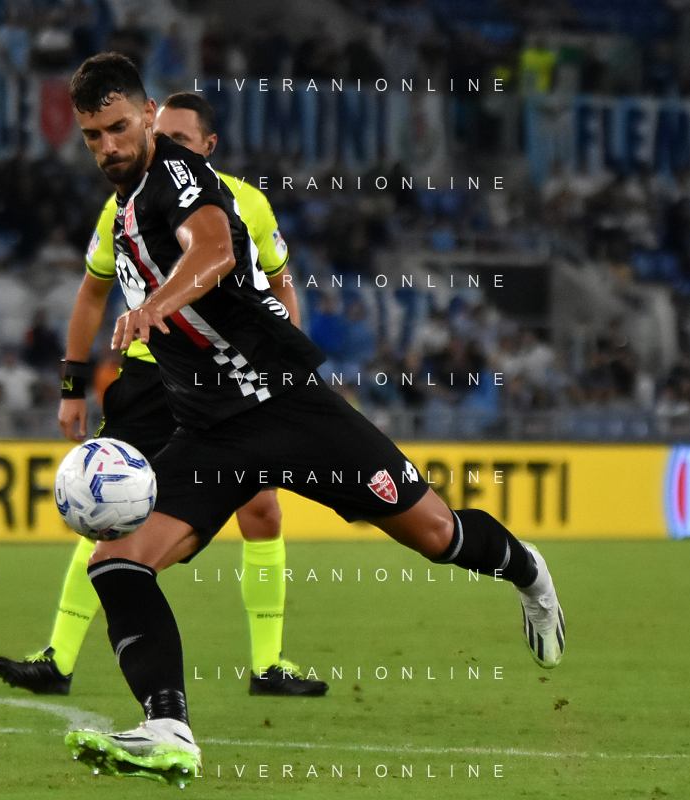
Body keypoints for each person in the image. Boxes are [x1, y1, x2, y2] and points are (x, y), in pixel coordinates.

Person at [59, 54, 565, 787]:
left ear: (145, 115)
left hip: (290, 409)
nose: (106, 146)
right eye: (91, 136)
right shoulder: (125, 207)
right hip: (212, 434)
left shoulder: (177, 176)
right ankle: (168, 728)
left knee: (436, 535)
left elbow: (213, 249)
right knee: (116, 563)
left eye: (116, 127)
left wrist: (156, 306)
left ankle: (528, 572)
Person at [0, 91, 325, 700]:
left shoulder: (245, 203)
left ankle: (269, 665)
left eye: (181, 139)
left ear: (209, 147)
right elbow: (91, 293)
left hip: (226, 378)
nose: (165, 147)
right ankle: (57, 659)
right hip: (149, 378)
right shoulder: (123, 204)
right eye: (160, 135)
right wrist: (71, 386)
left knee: (262, 511)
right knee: (104, 509)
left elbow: (280, 282)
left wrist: (283, 366)